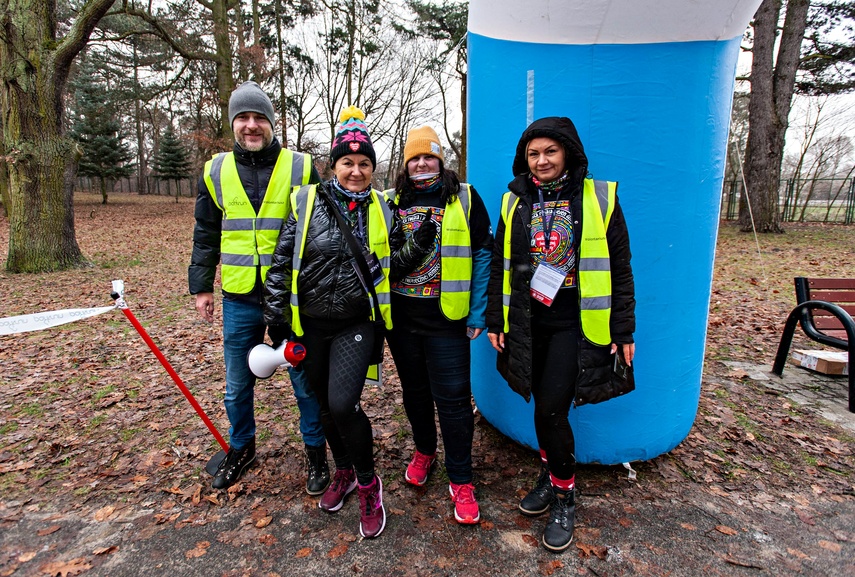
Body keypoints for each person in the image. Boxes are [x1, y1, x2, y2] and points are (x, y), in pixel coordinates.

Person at [263, 107, 431, 539]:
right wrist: (277, 320)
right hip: (310, 326)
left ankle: (369, 484)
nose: (356, 171)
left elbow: (390, 265)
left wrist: (421, 244)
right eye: (347, 163)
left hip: (357, 324)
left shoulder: (383, 208)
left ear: (373, 168)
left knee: (342, 404)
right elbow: (281, 264)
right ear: (333, 165)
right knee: (322, 407)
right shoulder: (305, 202)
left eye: (364, 164)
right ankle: (344, 472)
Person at [485, 116, 636, 552]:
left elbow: (621, 269)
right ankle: (551, 476)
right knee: (540, 408)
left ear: (568, 152)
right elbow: (502, 265)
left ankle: (565, 496)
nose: (542, 160)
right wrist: (498, 319)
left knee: (552, 409)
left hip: (577, 321)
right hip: (531, 321)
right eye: (533, 153)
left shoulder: (599, 197)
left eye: (550, 151)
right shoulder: (514, 201)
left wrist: (623, 328)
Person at [188, 81, 330, 494]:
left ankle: (316, 452)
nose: (251, 126)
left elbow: (321, 226)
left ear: (271, 122)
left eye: (259, 118)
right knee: (237, 385)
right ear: (233, 123)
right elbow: (205, 231)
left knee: (303, 380)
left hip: (291, 298)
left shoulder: (301, 166)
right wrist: (201, 286)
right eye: (243, 118)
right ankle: (242, 447)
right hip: (238, 297)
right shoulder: (215, 169)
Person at [384, 126, 492, 525]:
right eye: (415, 157)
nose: (422, 163)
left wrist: (478, 312)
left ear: (440, 159)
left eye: (429, 156)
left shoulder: (463, 196)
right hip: (402, 320)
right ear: (405, 164)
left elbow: (483, 254)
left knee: (453, 401)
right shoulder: (391, 202)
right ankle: (425, 451)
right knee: (414, 393)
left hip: (448, 320)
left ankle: (461, 478)